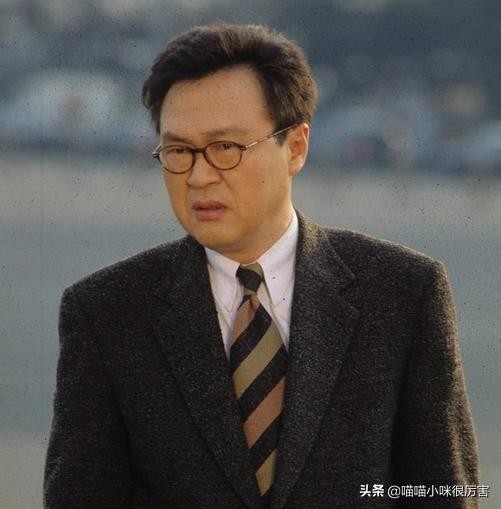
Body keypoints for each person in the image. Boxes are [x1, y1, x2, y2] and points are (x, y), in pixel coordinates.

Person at [44, 23, 479, 508]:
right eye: (179, 151)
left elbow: (444, 491)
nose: (199, 176)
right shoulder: (106, 313)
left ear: (296, 146)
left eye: (225, 148)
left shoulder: (402, 292)